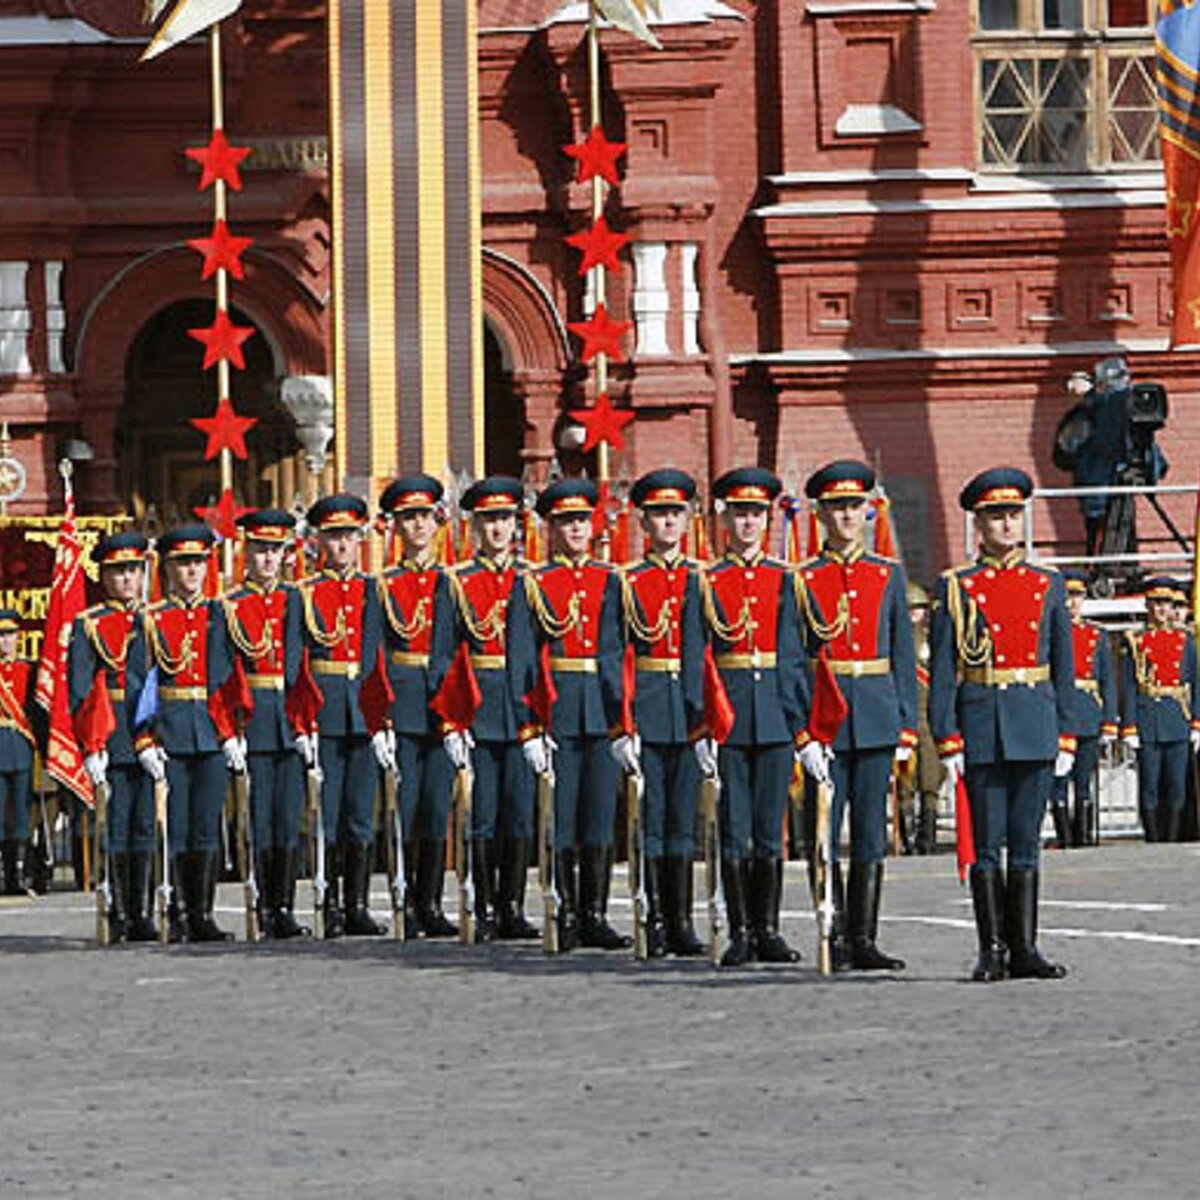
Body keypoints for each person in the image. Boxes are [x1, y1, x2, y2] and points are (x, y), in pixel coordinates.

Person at [929, 467, 1075, 982]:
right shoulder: (957, 587)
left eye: (1014, 515)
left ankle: (1025, 947)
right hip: (984, 725)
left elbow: (1064, 665)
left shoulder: (1048, 584)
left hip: (1034, 722)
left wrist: (1066, 731)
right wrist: (946, 737)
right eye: (997, 517)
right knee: (988, 844)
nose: (1008, 525)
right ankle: (991, 947)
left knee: (1027, 842)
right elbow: (944, 670)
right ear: (979, 524)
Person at [795, 460, 916, 971]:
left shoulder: (886, 575)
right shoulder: (803, 579)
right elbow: (796, 660)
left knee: (869, 831)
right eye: (838, 508)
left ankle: (863, 935)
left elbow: (902, 655)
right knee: (822, 832)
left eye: (855, 507)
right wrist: (803, 731)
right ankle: (832, 931)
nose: (848, 517)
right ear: (821, 514)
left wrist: (907, 725)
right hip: (825, 722)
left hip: (875, 713)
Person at [507, 477, 628, 952]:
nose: (576, 529)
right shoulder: (534, 584)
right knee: (561, 818)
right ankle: (563, 911)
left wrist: (624, 722)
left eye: (582, 520)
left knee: (598, 816)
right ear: (551, 528)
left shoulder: (610, 580)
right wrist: (529, 727)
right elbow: (521, 658)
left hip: (600, 713)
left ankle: (594, 912)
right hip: (555, 713)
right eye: (565, 522)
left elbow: (618, 654)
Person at [698, 467, 808, 967]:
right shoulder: (708, 580)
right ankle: (740, 929)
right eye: (740, 514)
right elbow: (694, 656)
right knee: (734, 828)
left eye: (756, 515)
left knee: (770, 829)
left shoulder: (785, 579)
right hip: (728, 716)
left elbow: (793, 654)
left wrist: (799, 722)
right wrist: (702, 726)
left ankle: (769, 928)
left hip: (774, 718)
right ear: (726, 520)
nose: (748, 524)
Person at [126, 524, 235, 942]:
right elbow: (139, 682)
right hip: (170, 731)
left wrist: (231, 732)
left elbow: (226, 678)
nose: (191, 571)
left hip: (208, 731)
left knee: (206, 824)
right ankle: (177, 910)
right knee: (175, 826)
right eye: (182, 563)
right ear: (167, 568)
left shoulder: (217, 614)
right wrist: (144, 739)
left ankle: (202, 912)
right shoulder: (151, 618)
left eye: (197, 563)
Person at [442, 476, 538, 942]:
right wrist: (452, 720)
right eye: (489, 520)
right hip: (478, 708)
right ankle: (481, 906)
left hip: (521, 710)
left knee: (518, 813)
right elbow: (447, 656)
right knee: (481, 813)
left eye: (504, 519)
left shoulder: (531, 580)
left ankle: (513, 905)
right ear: (475, 525)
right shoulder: (459, 581)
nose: (498, 529)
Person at [620, 469, 706, 957]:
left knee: (684, 823)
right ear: (644, 522)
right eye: (659, 514)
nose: (668, 522)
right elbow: (619, 656)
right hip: (649, 710)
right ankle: (653, 918)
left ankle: (682, 919)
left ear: (688, 519)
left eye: (675, 513)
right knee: (651, 822)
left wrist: (709, 720)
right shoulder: (628, 581)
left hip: (690, 713)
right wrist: (623, 724)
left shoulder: (702, 579)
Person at [296, 493, 382, 938]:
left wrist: (382, 718)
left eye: (349, 536)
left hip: (363, 711)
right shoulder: (306, 594)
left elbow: (379, 656)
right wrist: (303, 720)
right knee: (325, 814)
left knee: (359, 813)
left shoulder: (373, 590)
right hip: (325, 709)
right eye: (333, 537)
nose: (342, 545)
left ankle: (358, 904)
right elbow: (299, 661)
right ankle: (327, 902)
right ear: (319, 542)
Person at [376, 475, 456, 938]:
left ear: (438, 522)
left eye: (425, 516)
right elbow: (379, 654)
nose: (419, 526)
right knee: (403, 807)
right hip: (403, 705)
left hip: (444, 703)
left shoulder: (453, 581)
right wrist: (382, 716)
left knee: (435, 806)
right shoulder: (385, 585)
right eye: (409, 518)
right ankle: (404, 901)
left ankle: (431, 902)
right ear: (397, 527)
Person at [222, 509, 308, 937]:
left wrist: (306, 723)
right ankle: (262, 905)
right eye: (260, 551)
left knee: (288, 817)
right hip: (254, 719)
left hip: (290, 721)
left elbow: (304, 667)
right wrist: (229, 731)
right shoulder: (231, 606)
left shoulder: (296, 599)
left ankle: (285, 906)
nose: (268, 559)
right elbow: (224, 673)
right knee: (259, 819)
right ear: (246, 553)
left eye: (275, 551)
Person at [68, 531, 153, 940]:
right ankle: (119, 911)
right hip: (113, 731)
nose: (126, 580)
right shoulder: (89, 625)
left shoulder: (154, 618)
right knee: (116, 827)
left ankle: (145, 912)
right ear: (104, 577)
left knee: (146, 826)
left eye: (133, 571)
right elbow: (81, 688)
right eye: (118, 572)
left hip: (151, 730)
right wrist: (91, 745)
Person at [1120, 577, 1200, 843]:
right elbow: (1129, 686)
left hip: (1177, 718)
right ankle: (1153, 838)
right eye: (1156, 603)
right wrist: (1129, 726)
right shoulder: (1137, 641)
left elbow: (1196, 683)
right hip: (1149, 720)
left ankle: (1173, 838)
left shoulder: (1184, 641)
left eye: (1166, 603)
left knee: (1176, 785)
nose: (1162, 609)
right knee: (1150, 785)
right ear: (1148, 606)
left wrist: (1197, 722)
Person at [1051, 571, 1117, 849]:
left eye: (1077, 597)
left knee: (1083, 780)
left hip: (1089, 710)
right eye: (1067, 597)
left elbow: (1107, 681)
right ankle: (1064, 834)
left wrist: (1109, 720)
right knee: (1058, 781)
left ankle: (1084, 835)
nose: (1071, 603)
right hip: (1059, 713)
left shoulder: (1095, 634)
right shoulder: (1051, 633)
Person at [896, 581, 943, 857]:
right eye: (911, 610)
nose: (915, 615)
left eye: (919, 609)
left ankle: (929, 834)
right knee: (906, 782)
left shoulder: (931, 639)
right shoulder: (897, 641)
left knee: (931, 779)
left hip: (928, 718)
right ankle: (908, 835)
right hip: (906, 717)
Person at [0, 609, 35, 897]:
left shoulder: (29, 670)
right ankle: (4, 874)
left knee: (21, 814)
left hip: (22, 746)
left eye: (9, 635)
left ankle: (19, 875)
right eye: (1, 635)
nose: (5, 641)